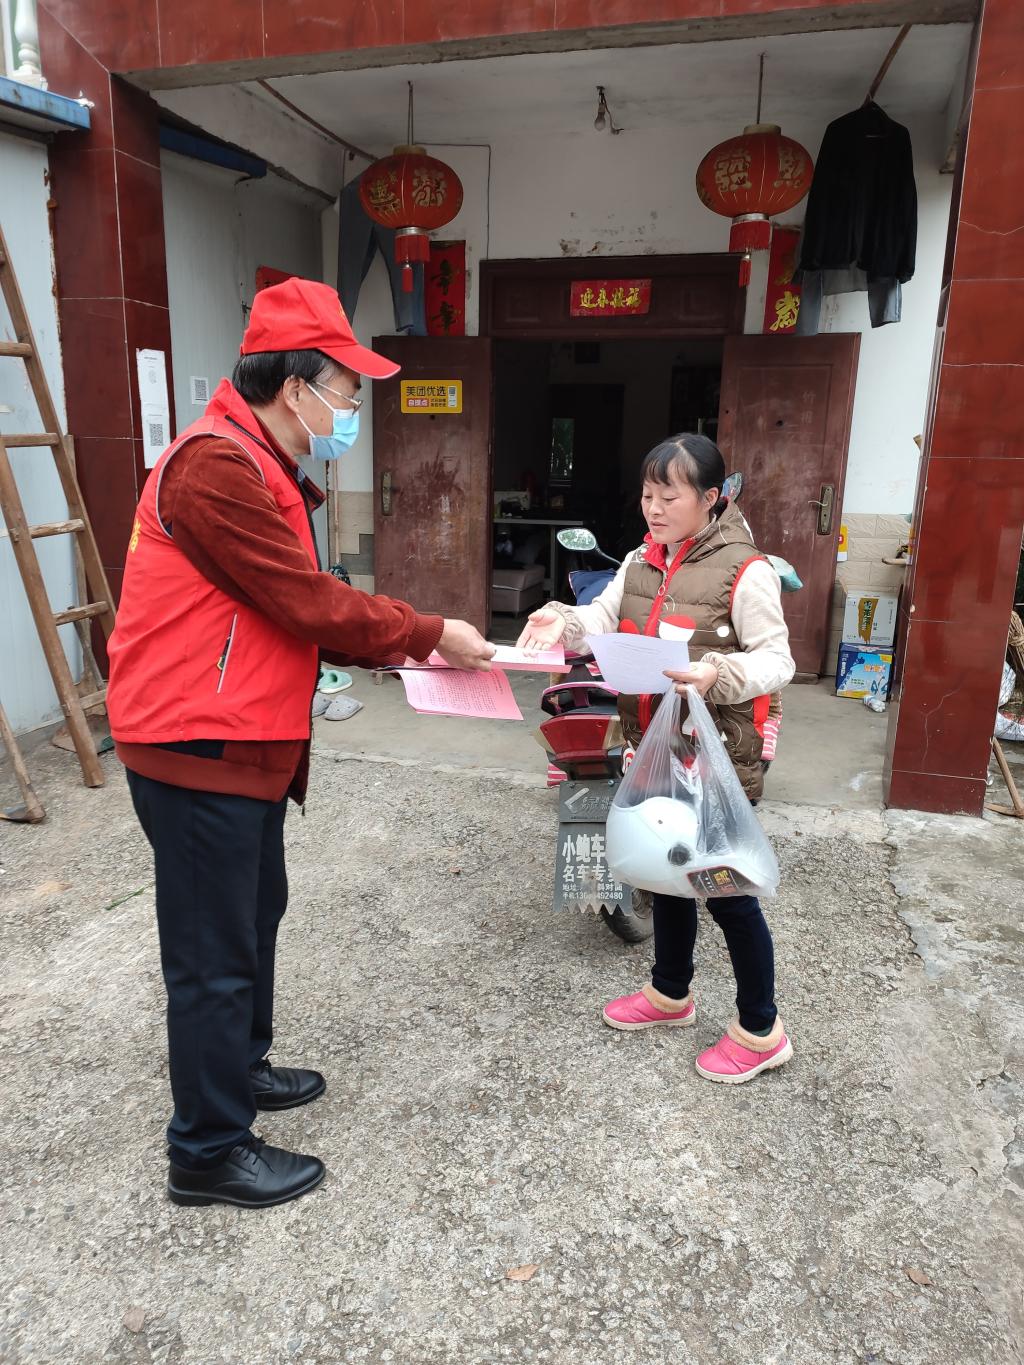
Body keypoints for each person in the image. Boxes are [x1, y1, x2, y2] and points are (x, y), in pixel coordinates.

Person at [107, 278, 494, 1209]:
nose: (354, 408)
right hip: (193, 742)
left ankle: (238, 1072)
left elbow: (296, 614)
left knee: (253, 914)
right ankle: (206, 1149)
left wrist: (396, 644)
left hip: (239, 742)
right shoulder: (213, 468)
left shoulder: (260, 462)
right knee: (212, 951)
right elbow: (306, 602)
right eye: (350, 391)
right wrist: (429, 632)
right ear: (296, 388)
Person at [518, 433, 796, 1084]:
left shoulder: (745, 570)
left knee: (726, 892)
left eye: (670, 493)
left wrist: (716, 672)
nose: (655, 506)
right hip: (654, 747)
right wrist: (564, 620)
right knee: (667, 873)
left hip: (717, 755)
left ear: (710, 498)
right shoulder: (641, 562)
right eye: (648, 493)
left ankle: (761, 1029)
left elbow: (778, 658)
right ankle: (671, 992)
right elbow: (604, 616)